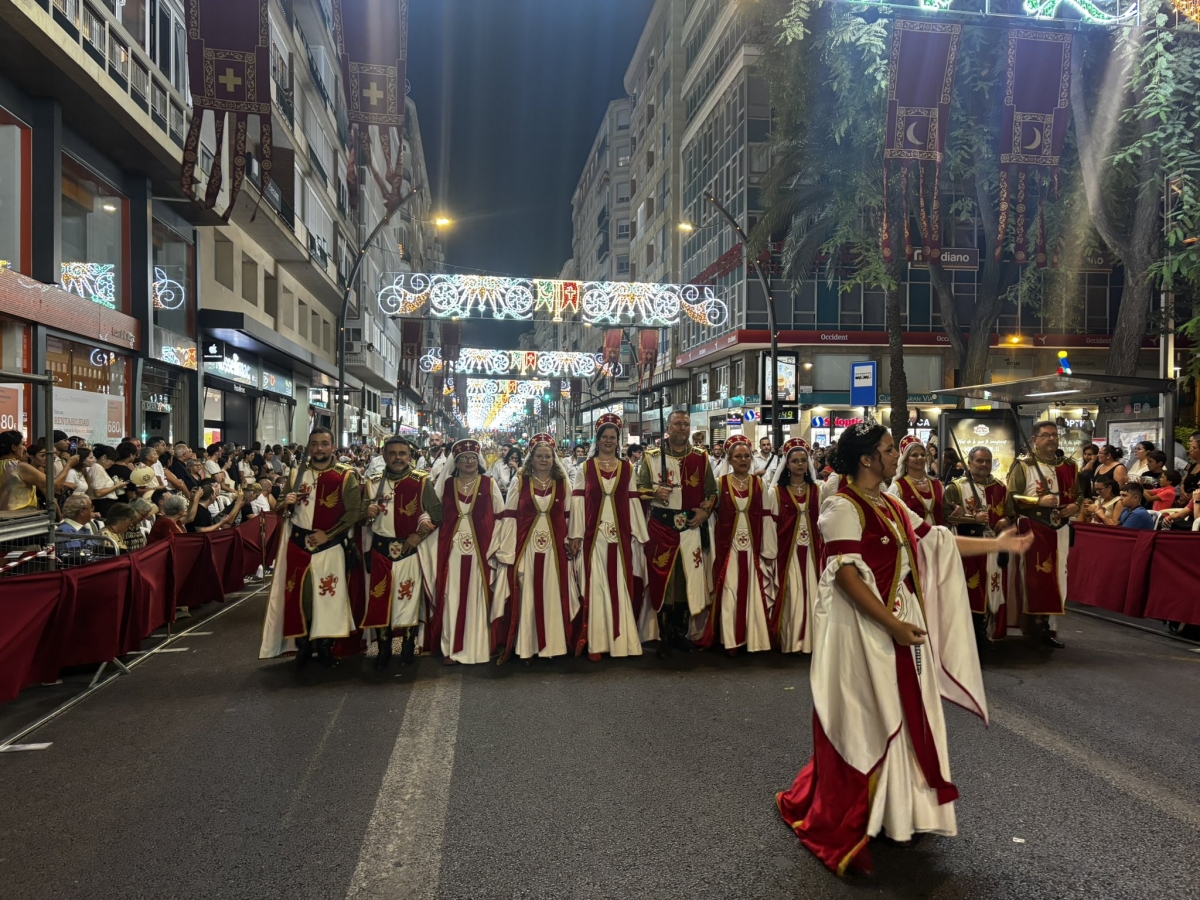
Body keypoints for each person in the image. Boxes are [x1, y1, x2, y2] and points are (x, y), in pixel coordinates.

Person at [776, 424, 1032, 876]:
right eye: (890, 449)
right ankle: (864, 812)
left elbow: (937, 542)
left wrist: (997, 544)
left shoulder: (891, 504)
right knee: (870, 717)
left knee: (910, 712)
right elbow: (846, 575)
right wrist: (893, 625)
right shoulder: (840, 506)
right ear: (868, 459)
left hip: (898, 620)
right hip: (864, 629)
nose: (898, 455)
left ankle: (900, 812)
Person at [259, 427, 365, 668]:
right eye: (315, 443)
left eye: (324, 443)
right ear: (309, 447)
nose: (319, 448)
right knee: (300, 597)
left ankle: (326, 647)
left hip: (330, 547)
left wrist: (328, 534)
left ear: (333, 446)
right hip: (298, 546)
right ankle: (304, 646)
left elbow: (354, 512)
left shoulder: (346, 475)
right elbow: (281, 511)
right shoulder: (297, 473)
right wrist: (285, 504)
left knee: (329, 598)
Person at [637, 409, 717, 655]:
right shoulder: (651, 457)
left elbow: (711, 492)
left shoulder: (701, 458)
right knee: (664, 579)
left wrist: (705, 512)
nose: (682, 428)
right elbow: (639, 488)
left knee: (686, 581)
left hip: (690, 527)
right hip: (661, 527)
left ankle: (680, 633)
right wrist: (654, 493)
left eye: (686, 424)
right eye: (677, 424)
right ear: (668, 427)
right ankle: (663, 636)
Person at [569, 415, 649, 660]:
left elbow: (633, 500)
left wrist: (640, 535)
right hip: (594, 537)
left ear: (618, 441)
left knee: (619, 584)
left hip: (620, 535)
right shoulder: (585, 467)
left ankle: (622, 641)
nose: (608, 441)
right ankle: (596, 642)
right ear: (598, 439)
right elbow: (578, 501)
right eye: (604, 437)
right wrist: (575, 534)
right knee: (596, 586)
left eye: (612, 437)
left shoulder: (627, 468)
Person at [494, 433, 576, 663]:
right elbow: (510, 516)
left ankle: (553, 645)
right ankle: (528, 646)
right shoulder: (519, 481)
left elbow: (570, 516)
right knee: (528, 590)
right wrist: (507, 550)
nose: (543, 460)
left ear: (554, 458)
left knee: (552, 591)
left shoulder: (563, 482)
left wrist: (571, 540)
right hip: (527, 547)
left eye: (547, 456)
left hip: (555, 549)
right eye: (539, 456)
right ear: (531, 458)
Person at [362, 435, 439, 670]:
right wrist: (366, 512)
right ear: (384, 456)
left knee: (408, 599)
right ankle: (384, 648)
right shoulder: (372, 482)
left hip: (408, 549)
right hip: (381, 550)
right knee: (379, 599)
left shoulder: (421, 480)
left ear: (410, 456)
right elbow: (357, 515)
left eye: (402, 453)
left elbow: (438, 513)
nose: (397, 458)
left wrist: (420, 535)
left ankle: (408, 645)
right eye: (393, 453)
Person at [427, 439, 506, 665]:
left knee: (478, 594)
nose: (469, 462)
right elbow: (432, 512)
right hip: (452, 550)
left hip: (482, 550)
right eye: (464, 458)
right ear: (456, 462)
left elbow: (501, 517)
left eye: (472, 458)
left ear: (478, 460)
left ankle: (480, 644)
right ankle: (451, 646)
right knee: (452, 594)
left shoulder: (489, 484)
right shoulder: (446, 485)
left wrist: (497, 547)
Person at [1006, 420, 1082, 649]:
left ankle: (1046, 627)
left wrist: (1075, 507)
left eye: (1055, 435)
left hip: (1060, 530)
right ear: (1034, 440)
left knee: (1058, 579)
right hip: (1034, 528)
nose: (1052, 439)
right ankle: (1033, 627)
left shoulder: (1069, 466)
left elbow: (1078, 495)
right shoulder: (1023, 466)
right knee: (1036, 580)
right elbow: (1011, 499)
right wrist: (1037, 500)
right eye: (1046, 435)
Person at [701, 435, 777, 655]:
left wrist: (767, 547)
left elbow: (766, 516)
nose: (743, 460)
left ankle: (754, 638)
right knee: (730, 588)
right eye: (738, 456)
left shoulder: (760, 483)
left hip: (752, 544)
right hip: (728, 545)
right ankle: (730, 637)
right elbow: (712, 513)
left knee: (752, 587)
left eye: (746, 456)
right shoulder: (720, 483)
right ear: (730, 459)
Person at [944, 446, 1010, 642]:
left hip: (993, 547)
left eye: (987, 461)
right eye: (979, 461)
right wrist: (972, 519)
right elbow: (946, 517)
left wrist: (1006, 520)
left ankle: (987, 633)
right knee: (971, 591)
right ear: (970, 462)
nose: (984, 465)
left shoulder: (1000, 487)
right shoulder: (956, 488)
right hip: (969, 548)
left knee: (992, 590)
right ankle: (971, 637)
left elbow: (1010, 513)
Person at [772, 439, 823, 654]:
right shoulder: (776, 492)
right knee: (793, 592)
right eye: (795, 461)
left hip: (813, 551)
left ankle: (814, 642)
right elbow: (771, 525)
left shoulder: (818, 490)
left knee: (813, 592)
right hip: (788, 551)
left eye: (803, 461)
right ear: (788, 464)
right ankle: (792, 640)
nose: (800, 465)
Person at [1, 432, 73, 511]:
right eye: (23, 445)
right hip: (20, 516)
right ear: (14, 447)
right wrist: (69, 464)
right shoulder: (20, 467)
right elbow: (55, 485)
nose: (25, 449)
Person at [889, 436, 945, 527]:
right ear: (906, 460)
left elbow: (945, 513)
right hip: (913, 539)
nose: (920, 458)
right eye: (914, 455)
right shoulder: (897, 487)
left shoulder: (937, 485)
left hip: (938, 538)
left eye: (923, 455)